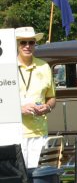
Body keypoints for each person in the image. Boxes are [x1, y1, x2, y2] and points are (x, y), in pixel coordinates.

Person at [15, 27, 56, 167]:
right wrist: (19, 109)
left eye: (31, 42)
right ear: (17, 44)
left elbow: (52, 97)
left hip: (39, 133)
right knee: (20, 180)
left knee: (39, 177)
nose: (27, 46)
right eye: (23, 42)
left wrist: (48, 107)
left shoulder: (44, 66)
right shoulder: (6, 67)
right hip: (16, 132)